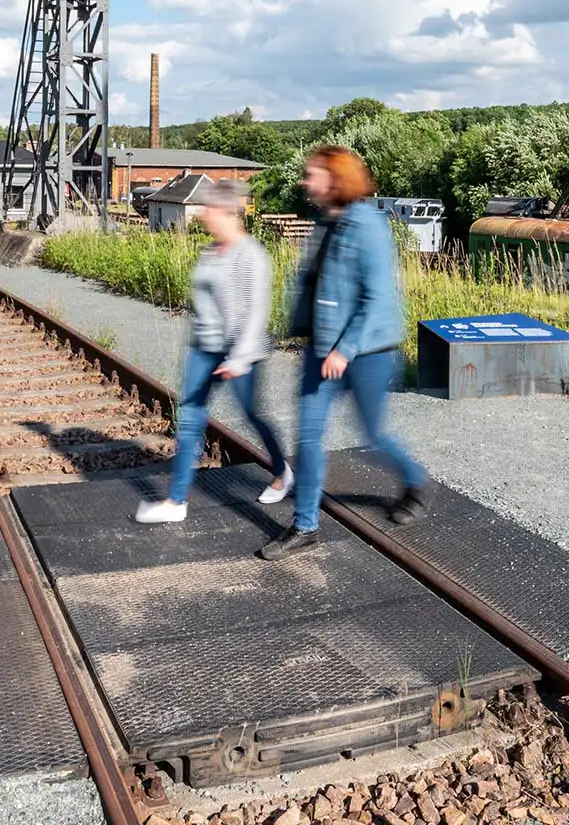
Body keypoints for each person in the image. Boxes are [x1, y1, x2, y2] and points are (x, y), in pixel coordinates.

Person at [259, 146, 428, 561]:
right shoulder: (326, 221)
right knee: (309, 435)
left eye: (312, 173)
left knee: (372, 435)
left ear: (334, 178)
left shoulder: (367, 225)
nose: (305, 180)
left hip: (367, 351)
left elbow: (375, 298)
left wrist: (344, 350)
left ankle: (414, 479)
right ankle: (305, 525)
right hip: (321, 349)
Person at [134, 181, 293, 523]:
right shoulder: (210, 252)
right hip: (203, 350)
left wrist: (237, 359)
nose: (204, 217)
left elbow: (256, 312)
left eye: (208, 211)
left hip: (239, 350)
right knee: (189, 420)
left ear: (225, 212)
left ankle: (283, 470)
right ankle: (176, 502)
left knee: (252, 414)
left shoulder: (251, 255)